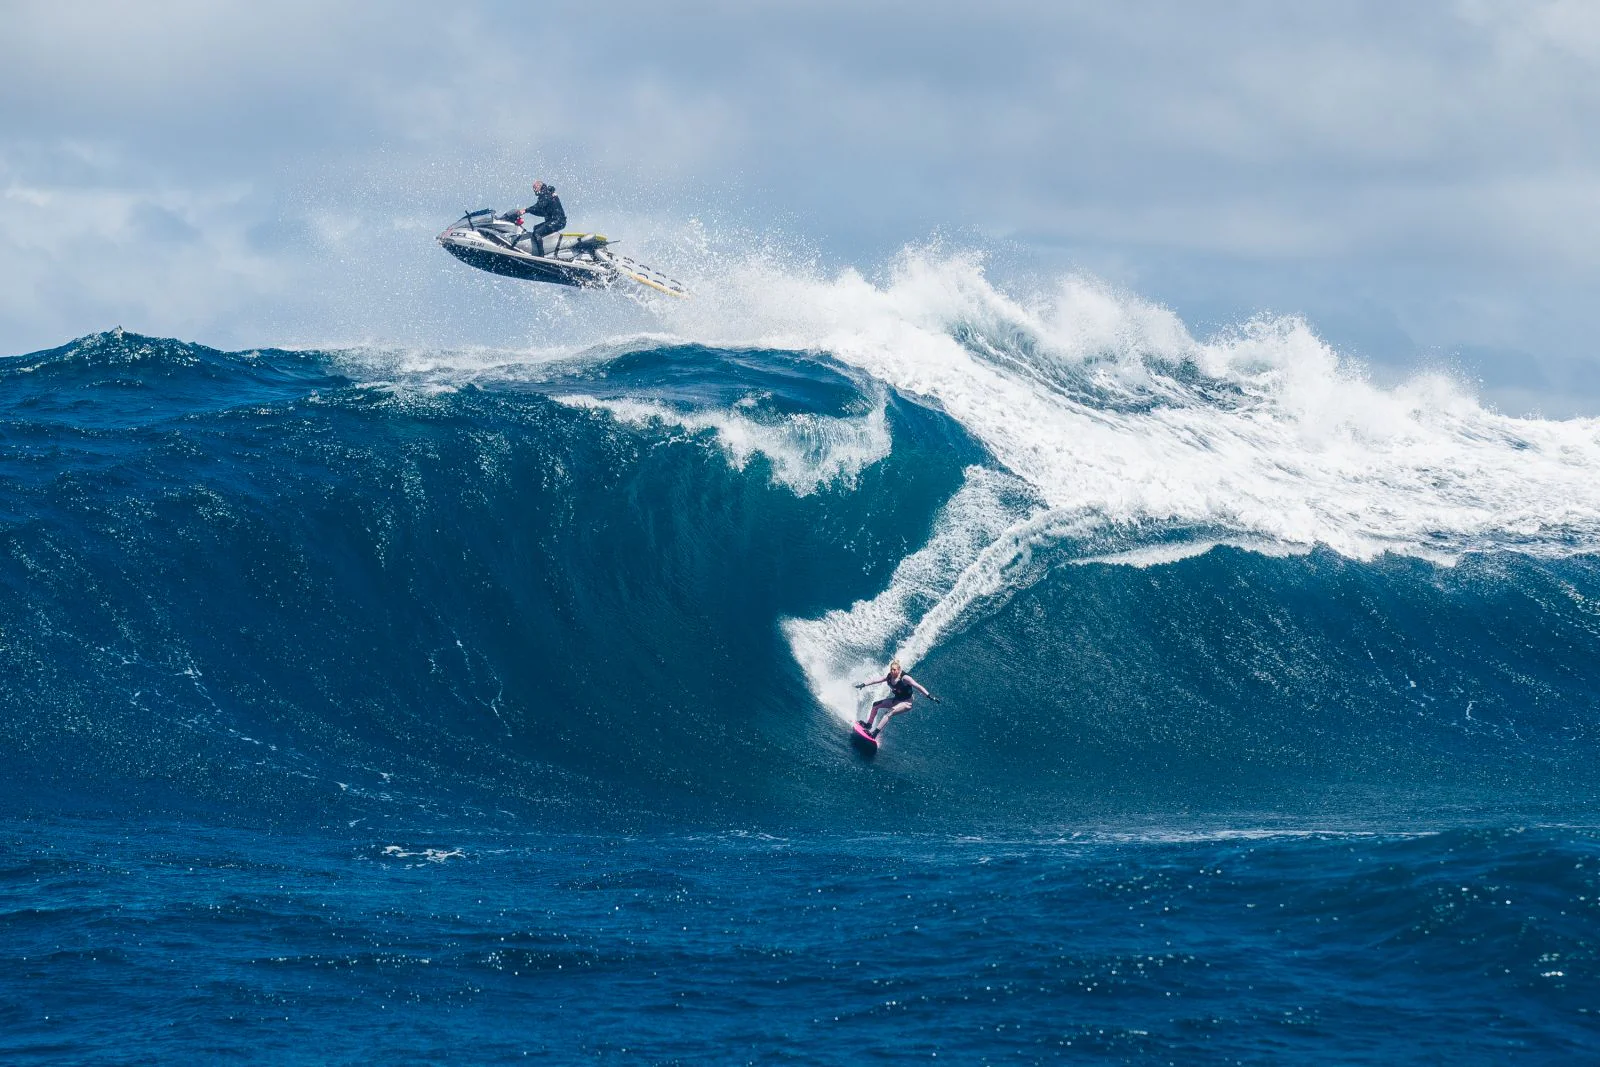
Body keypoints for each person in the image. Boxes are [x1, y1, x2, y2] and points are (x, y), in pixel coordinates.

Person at [853, 659, 937, 737]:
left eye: (894, 670)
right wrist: (864, 684)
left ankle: (874, 734)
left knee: (889, 713)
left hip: (906, 703)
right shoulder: (889, 677)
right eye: (891, 669)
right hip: (896, 700)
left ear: (899, 670)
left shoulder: (905, 678)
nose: (892, 671)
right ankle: (868, 725)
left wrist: (929, 695)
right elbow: (876, 680)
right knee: (875, 705)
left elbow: (918, 686)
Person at [500, 180, 567, 255]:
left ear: (539, 186)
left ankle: (541, 256)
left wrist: (526, 210)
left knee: (537, 233)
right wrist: (527, 211)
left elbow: (539, 206)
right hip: (555, 221)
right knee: (536, 228)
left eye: (535, 188)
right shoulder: (545, 195)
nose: (534, 190)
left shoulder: (546, 193)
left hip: (558, 221)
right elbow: (540, 212)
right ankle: (545, 250)